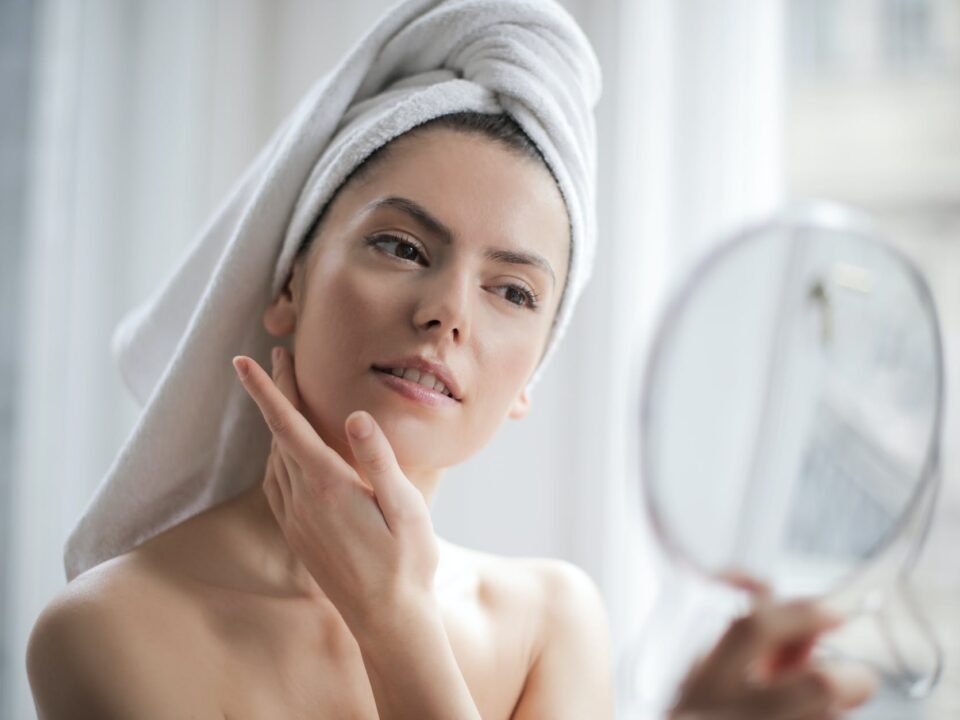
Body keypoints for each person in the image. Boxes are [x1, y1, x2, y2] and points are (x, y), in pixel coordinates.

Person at [26, 2, 876, 718]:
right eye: (400, 245)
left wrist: (397, 622)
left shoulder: (553, 623)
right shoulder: (110, 629)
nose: (446, 313)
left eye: (512, 292)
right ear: (286, 284)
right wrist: (394, 624)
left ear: (531, 378)